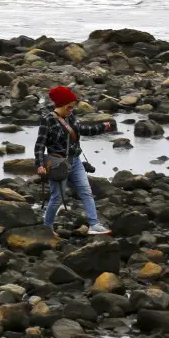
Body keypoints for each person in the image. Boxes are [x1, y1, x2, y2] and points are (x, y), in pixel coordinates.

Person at [33, 85, 115, 236]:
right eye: (69, 106)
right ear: (61, 104)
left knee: (86, 192)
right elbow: (40, 144)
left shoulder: (70, 117)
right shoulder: (47, 120)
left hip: (75, 161)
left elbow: (83, 130)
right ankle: (47, 227)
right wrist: (40, 164)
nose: (72, 109)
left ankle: (94, 225)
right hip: (58, 164)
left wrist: (103, 127)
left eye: (73, 106)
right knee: (57, 198)